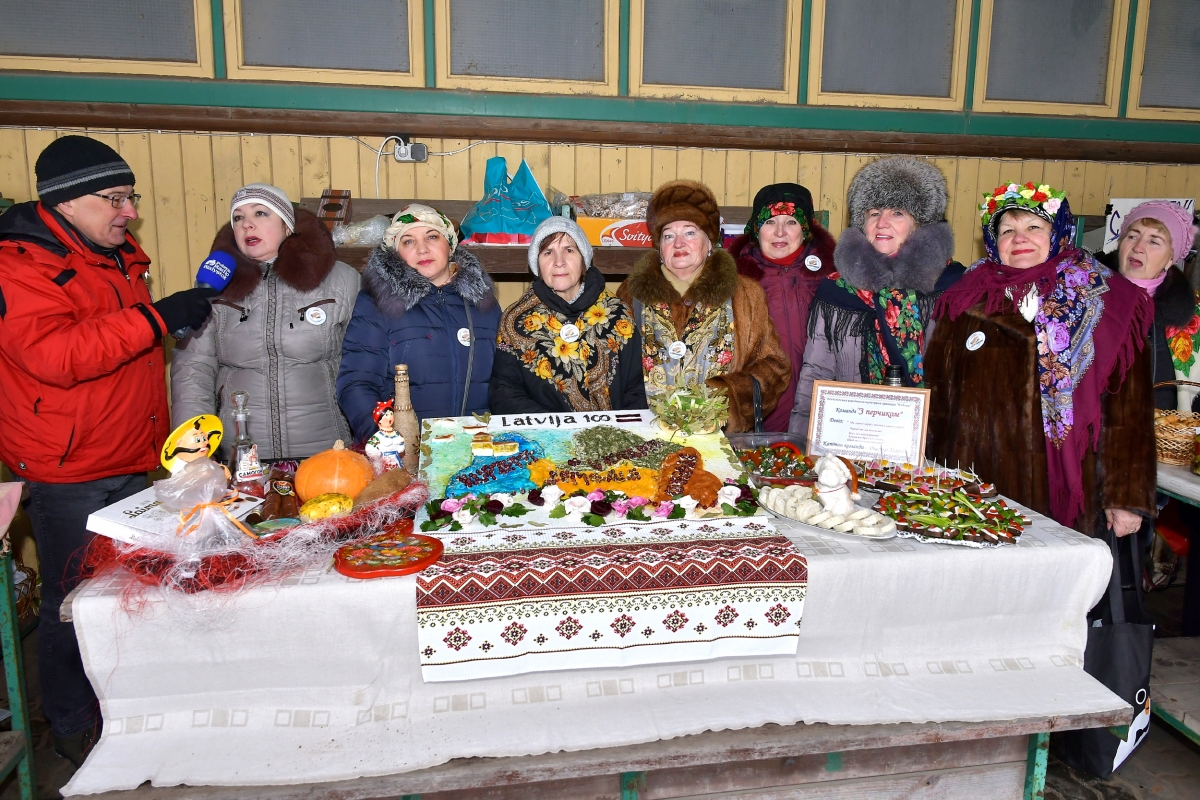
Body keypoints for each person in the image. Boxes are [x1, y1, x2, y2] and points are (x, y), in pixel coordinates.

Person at [0, 136, 215, 765]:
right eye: (115, 199)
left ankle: (127, 706)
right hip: (69, 465)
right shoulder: (19, 266)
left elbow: (118, 345)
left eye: (131, 197)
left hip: (129, 453)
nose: (130, 212)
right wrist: (157, 318)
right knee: (74, 603)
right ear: (66, 203)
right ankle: (71, 726)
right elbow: (55, 355)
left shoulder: (115, 257)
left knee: (130, 593)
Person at [925, 181, 1155, 541]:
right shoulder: (964, 297)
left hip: (1060, 492)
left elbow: (1129, 410)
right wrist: (930, 476)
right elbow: (937, 399)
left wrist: (1125, 497)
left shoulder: (1109, 300)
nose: (1019, 238)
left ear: (1059, 233)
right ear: (993, 241)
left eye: (1034, 227)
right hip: (972, 486)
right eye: (1007, 230)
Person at [171, 183, 360, 460]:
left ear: (287, 225)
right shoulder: (213, 285)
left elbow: (367, 365)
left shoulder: (342, 280)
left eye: (260, 213)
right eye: (238, 217)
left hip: (327, 451)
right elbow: (193, 371)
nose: (247, 224)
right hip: (240, 453)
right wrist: (191, 451)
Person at [790, 157, 963, 440]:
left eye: (897, 212)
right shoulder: (836, 291)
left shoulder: (954, 288)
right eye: (873, 213)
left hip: (935, 443)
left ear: (919, 224)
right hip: (850, 440)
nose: (882, 223)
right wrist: (802, 442)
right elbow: (816, 371)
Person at [617, 180, 790, 432]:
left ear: (709, 242)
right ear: (659, 247)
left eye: (689, 232)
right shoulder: (631, 294)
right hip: (647, 437)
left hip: (719, 441)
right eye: (668, 235)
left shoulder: (745, 294)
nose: (678, 243)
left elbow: (774, 367)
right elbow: (617, 370)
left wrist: (726, 396)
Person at [1101, 201, 1200, 592]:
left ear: (1172, 257)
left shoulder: (1187, 322)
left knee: (1122, 580)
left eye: (1155, 240)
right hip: (1086, 459)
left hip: (1152, 466)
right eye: (1132, 235)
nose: (1138, 247)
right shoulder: (1082, 298)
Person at [338, 204, 500, 438]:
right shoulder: (378, 303)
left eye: (432, 236)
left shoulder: (483, 303)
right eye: (408, 241)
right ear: (396, 254)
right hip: (407, 450)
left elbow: (504, 383)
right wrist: (385, 441)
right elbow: (356, 384)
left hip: (476, 444)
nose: (422, 249)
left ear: (450, 245)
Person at [490, 216, 646, 413]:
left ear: (584, 260)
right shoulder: (516, 320)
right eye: (548, 252)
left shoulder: (617, 314)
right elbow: (504, 392)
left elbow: (638, 386)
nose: (559, 262)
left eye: (569, 250)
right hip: (543, 430)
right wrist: (557, 426)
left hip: (613, 431)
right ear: (537, 264)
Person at [727, 183, 836, 431]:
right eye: (770, 222)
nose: (779, 232)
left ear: (805, 230)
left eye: (791, 222)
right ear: (756, 229)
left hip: (822, 410)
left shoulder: (833, 278)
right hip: (759, 412)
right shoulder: (734, 282)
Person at [365, 399, 405, 471]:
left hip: (396, 462)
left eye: (391, 414)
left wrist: (401, 444)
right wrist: (379, 455)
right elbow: (369, 449)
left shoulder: (396, 434)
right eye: (386, 415)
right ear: (379, 420)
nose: (390, 417)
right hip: (382, 464)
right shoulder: (378, 437)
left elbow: (400, 450)